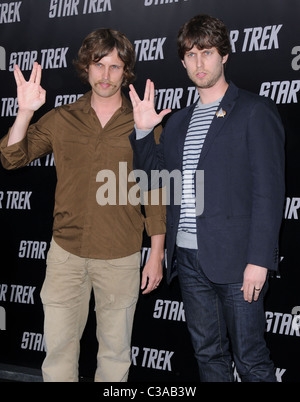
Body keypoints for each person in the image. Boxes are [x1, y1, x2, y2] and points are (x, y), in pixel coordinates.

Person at [0, 29, 166, 382]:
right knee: (58, 352)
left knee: (115, 355)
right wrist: (25, 111)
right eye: (98, 65)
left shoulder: (142, 123)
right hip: (66, 255)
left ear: (126, 72)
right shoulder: (62, 119)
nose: (106, 75)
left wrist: (155, 254)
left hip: (120, 256)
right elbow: (12, 157)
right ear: (86, 68)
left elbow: (155, 191)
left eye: (115, 67)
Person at [129, 14, 285, 382]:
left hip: (238, 263)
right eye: (191, 55)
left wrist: (260, 260)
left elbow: (269, 190)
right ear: (183, 62)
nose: (199, 63)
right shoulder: (178, 122)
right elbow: (154, 179)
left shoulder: (254, 110)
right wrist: (141, 130)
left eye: (207, 52)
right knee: (207, 355)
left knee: (251, 360)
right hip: (189, 260)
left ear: (224, 56)